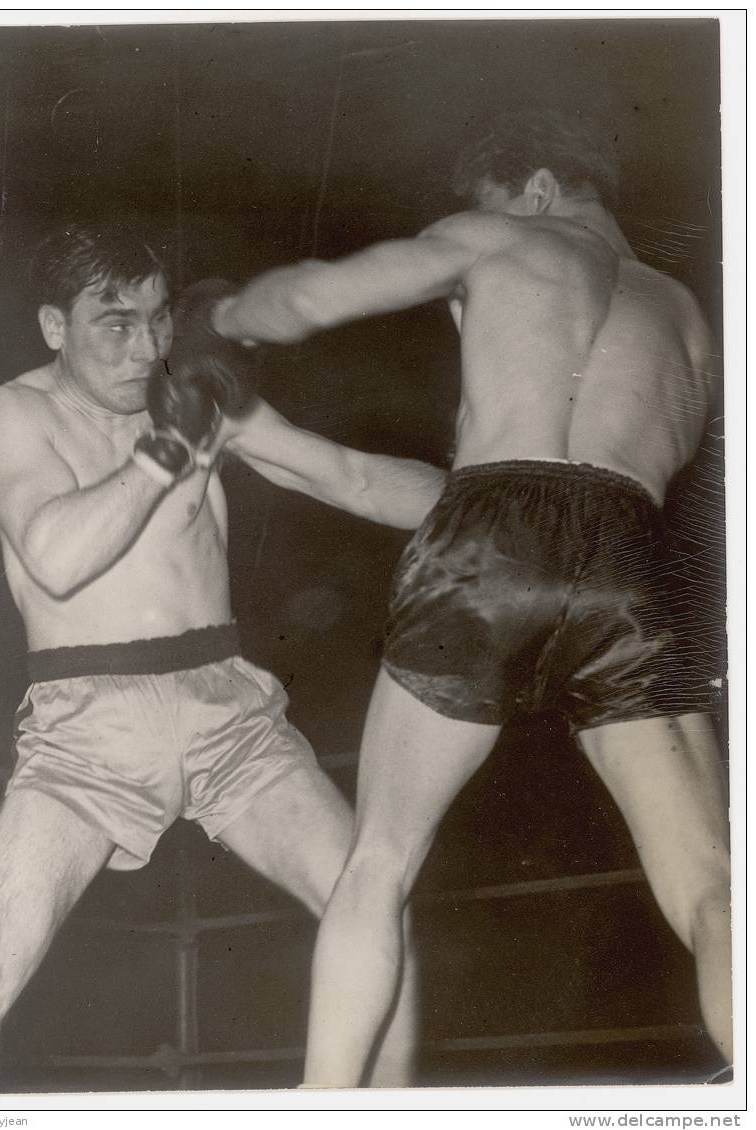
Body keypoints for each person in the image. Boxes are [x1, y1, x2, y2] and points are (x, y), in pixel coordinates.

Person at [211, 110, 732, 1086]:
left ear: (530, 187)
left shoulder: (497, 237)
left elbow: (313, 299)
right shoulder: (691, 320)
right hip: (629, 551)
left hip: (487, 533)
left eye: (485, 204)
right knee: (713, 888)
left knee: (375, 862)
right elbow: (611, 482)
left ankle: (321, 1103)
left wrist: (226, 317)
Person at [0, 222, 447, 1093]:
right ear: (52, 327)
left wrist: (503, 505)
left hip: (233, 716)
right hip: (87, 731)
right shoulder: (15, 412)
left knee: (379, 920)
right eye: (112, 322)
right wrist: (164, 451)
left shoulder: (197, 396)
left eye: (155, 320)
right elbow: (58, 555)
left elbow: (355, 479)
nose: (142, 346)